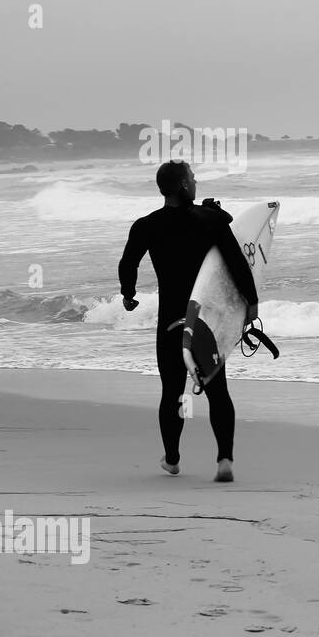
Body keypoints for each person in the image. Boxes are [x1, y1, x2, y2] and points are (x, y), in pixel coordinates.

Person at [118, 160, 258, 483]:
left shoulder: (146, 226)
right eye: (192, 178)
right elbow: (237, 263)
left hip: (171, 319)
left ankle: (172, 458)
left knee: (172, 392)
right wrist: (251, 302)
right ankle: (224, 459)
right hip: (204, 321)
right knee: (217, 390)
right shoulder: (210, 221)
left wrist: (128, 294)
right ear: (183, 185)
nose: (196, 181)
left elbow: (128, 262)